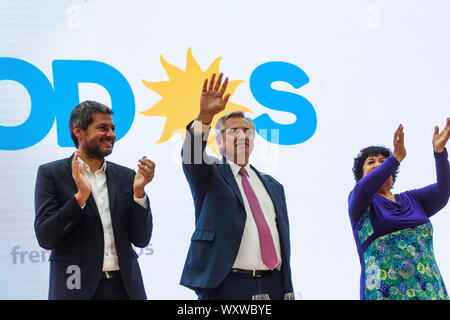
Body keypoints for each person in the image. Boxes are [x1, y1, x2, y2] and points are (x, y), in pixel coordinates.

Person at [180, 73, 294, 300]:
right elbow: (191, 156)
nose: (242, 135)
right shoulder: (209, 175)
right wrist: (204, 117)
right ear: (219, 142)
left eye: (247, 131)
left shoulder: (273, 185)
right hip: (226, 286)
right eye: (233, 131)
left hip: (273, 284)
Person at [34, 100, 155, 300]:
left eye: (112, 128)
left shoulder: (126, 176)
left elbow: (141, 240)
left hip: (125, 288)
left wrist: (139, 194)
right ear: (78, 131)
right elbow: (45, 237)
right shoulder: (51, 174)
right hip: (75, 287)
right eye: (103, 127)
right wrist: (79, 198)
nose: (111, 134)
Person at [348, 119, 450, 300]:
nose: (378, 165)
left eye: (383, 161)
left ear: (392, 176)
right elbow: (364, 188)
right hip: (383, 294)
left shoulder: (413, 199)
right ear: (361, 177)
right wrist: (394, 158)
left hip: (429, 292)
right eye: (371, 162)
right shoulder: (359, 202)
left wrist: (439, 153)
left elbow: (443, 192)